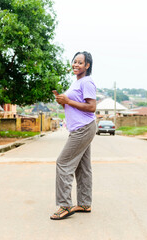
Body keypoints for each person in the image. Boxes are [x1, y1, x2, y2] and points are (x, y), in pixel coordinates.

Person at [50, 51, 97, 220]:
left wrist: (68, 101)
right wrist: (63, 102)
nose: (76, 65)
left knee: (63, 162)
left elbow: (92, 107)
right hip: (81, 128)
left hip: (83, 128)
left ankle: (65, 205)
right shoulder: (76, 82)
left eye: (80, 62)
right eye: (74, 62)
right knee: (83, 167)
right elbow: (74, 106)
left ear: (87, 66)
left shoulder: (87, 82)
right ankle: (84, 203)